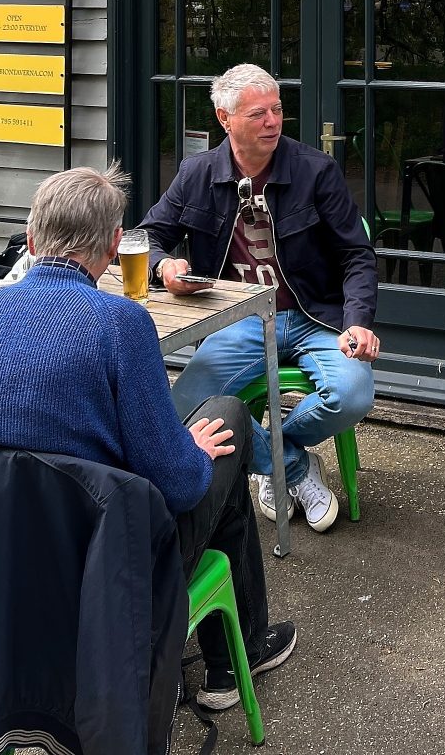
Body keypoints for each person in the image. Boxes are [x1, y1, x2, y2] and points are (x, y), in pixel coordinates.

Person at [0, 165, 294, 713]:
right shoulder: (122, 324)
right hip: (98, 569)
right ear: (113, 246)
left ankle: (230, 655)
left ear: (32, 241)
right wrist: (194, 456)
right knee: (224, 424)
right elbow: (176, 486)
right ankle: (236, 655)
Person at [139, 63, 378, 535]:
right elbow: (147, 235)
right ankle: (291, 468)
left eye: (277, 110)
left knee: (353, 394)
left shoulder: (316, 172)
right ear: (224, 119)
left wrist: (358, 320)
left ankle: (269, 454)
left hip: (315, 315)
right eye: (257, 114)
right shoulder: (198, 174)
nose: (272, 122)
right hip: (242, 319)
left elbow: (357, 255)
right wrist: (162, 266)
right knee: (179, 410)